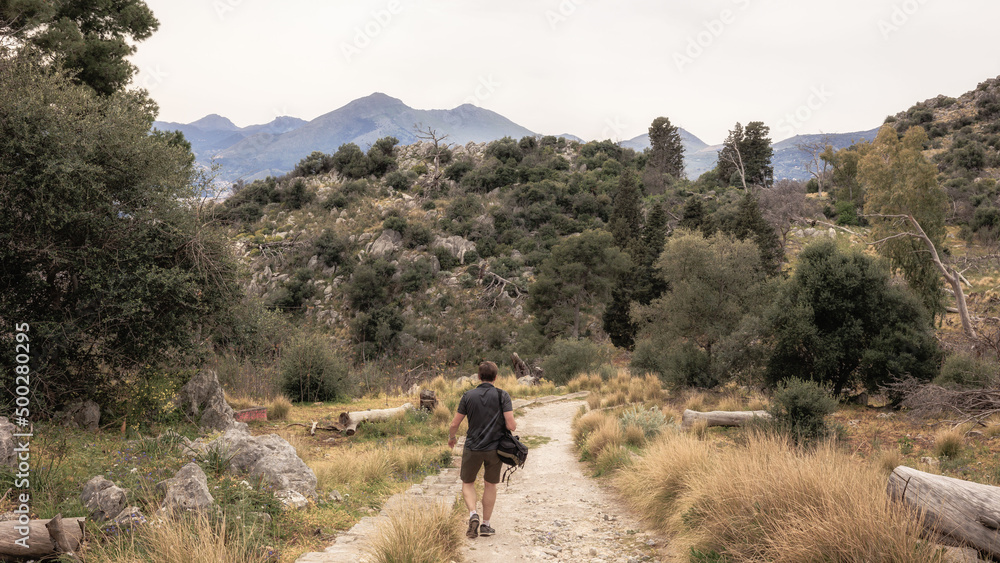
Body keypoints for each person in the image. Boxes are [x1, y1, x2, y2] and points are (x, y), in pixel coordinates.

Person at [448, 360, 516, 538]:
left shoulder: (468, 396)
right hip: (495, 449)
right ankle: (486, 525)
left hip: (473, 447)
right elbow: (511, 425)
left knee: (468, 483)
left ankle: (473, 514)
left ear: (478, 376)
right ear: (496, 377)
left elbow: (454, 423)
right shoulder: (503, 395)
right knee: (490, 484)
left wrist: (452, 438)